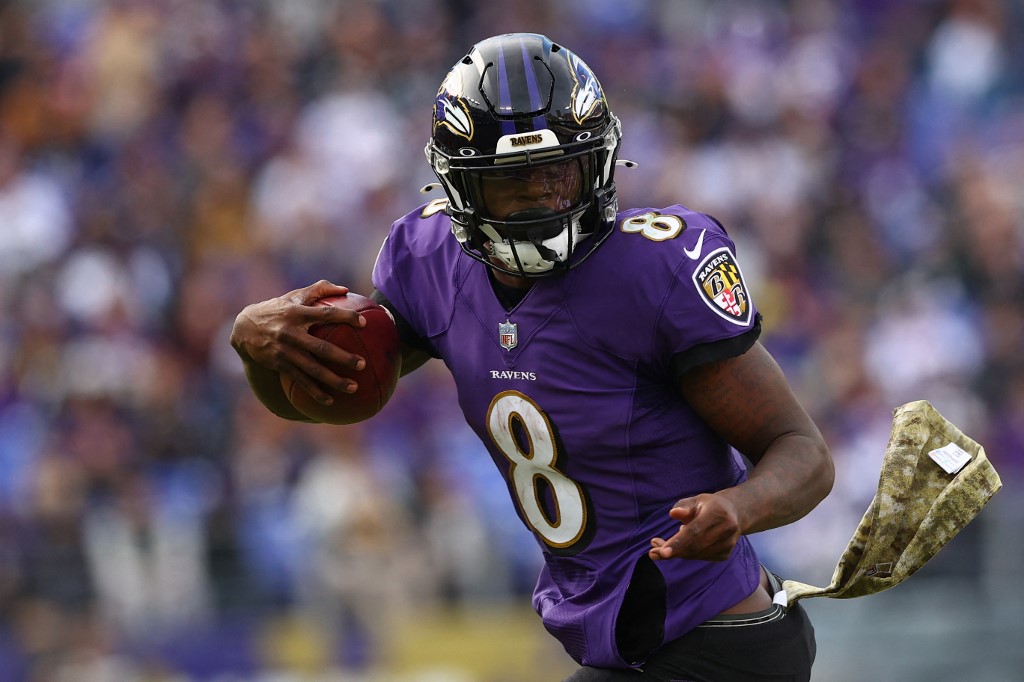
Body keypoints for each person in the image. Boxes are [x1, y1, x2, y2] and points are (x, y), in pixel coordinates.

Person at [230, 33, 834, 681]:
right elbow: (335, 398)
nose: (542, 198)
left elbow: (803, 452)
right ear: (463, 186)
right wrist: (259, 348)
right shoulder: (432, 265)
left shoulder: (651, 271)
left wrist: (740, 508)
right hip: (630, 651)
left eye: (557, 171)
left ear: (597, 161)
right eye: (511, 182)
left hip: (720, 641)